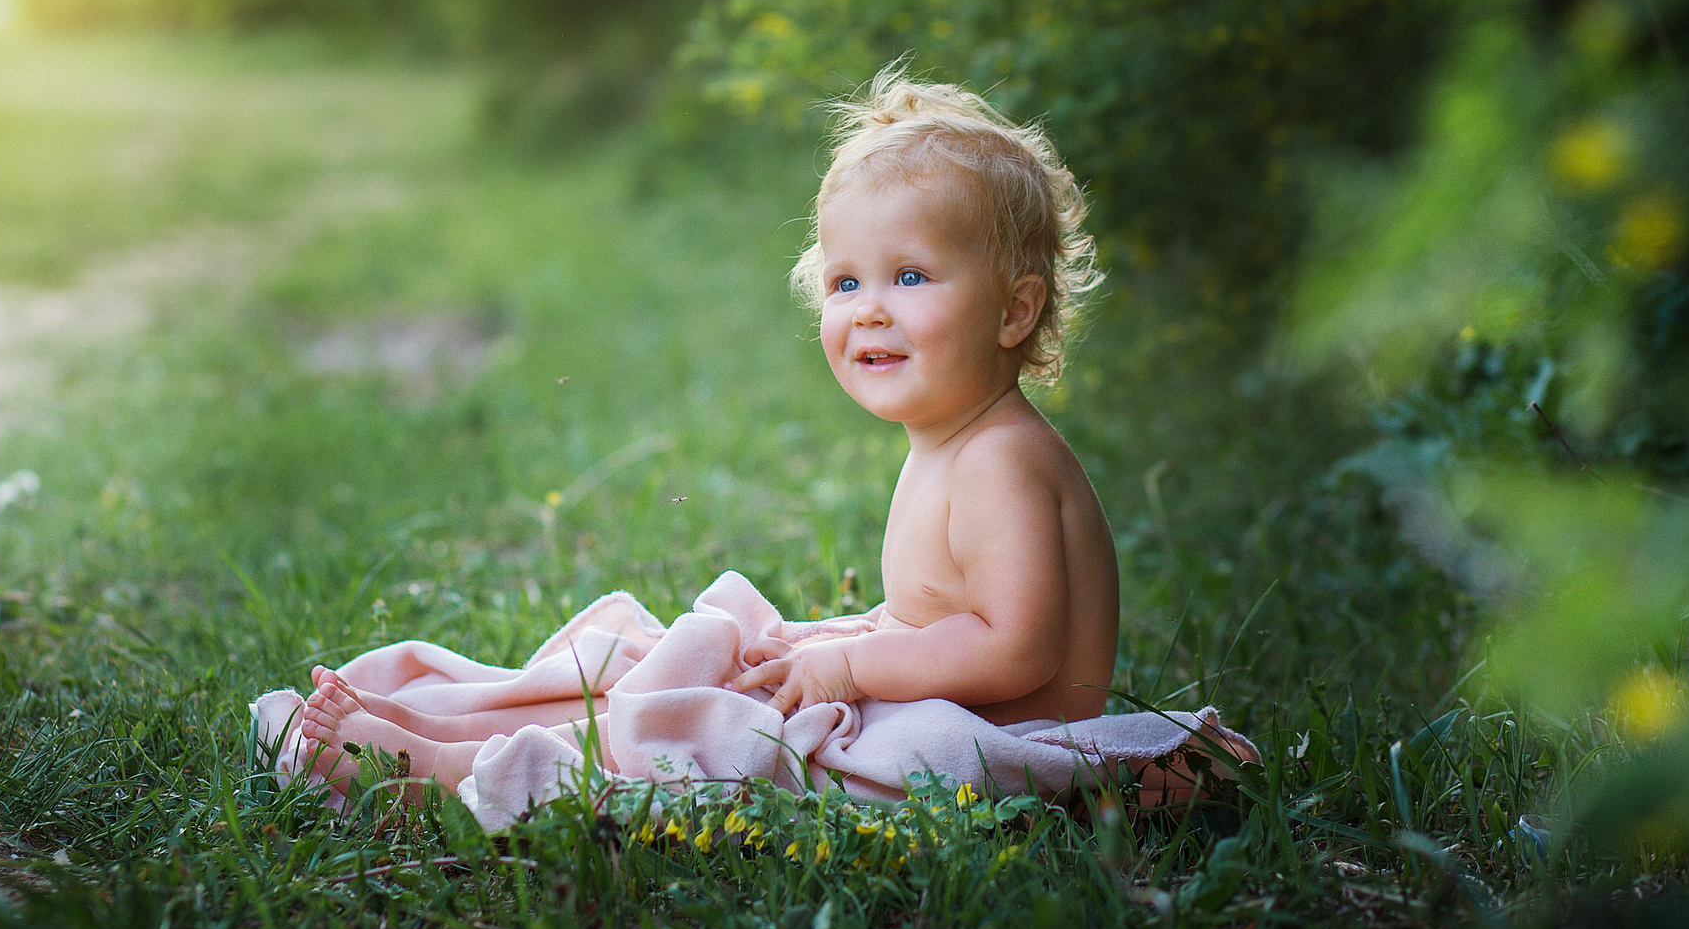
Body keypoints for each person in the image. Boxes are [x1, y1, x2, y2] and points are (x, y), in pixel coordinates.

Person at [283, 67, 1252, 810]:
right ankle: (467, 719)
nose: (869, 311)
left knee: (722, 732)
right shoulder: (956, 440)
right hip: (928, 712)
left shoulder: (1001, 459)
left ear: (1013, 310)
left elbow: (1014, 651)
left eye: (910, 277)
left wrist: (848, 665)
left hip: (975, 750)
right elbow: (933, 621)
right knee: (722, 649)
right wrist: (841, 638)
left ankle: (446, 772)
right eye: (845, 283)